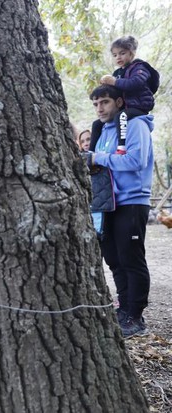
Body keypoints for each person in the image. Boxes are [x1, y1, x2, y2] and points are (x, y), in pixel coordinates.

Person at [85, 84, 154, 338]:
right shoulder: (103, 131)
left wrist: (98, 158)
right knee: (114, 259)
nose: (99, 108)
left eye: (104, 102)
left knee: (131, 258)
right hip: (107, 204)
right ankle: (123, 310)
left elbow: (136, 161)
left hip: (132, 201)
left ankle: (136, 317)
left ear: (119, 102)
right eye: (95, 104)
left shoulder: (136, 125)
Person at [91, 35, 159, 153]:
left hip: (139, 105)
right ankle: (90, 153)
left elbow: (135, 83)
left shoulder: (139, 67)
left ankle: (121, 147)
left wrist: (114, 81)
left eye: (122, 53)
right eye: (115, 55)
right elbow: (114, 91)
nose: (118, 57)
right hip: (125, 106)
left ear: (131, 53)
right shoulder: (117, 72)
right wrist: (105, 85)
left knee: (120, 116)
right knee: (97, 124)